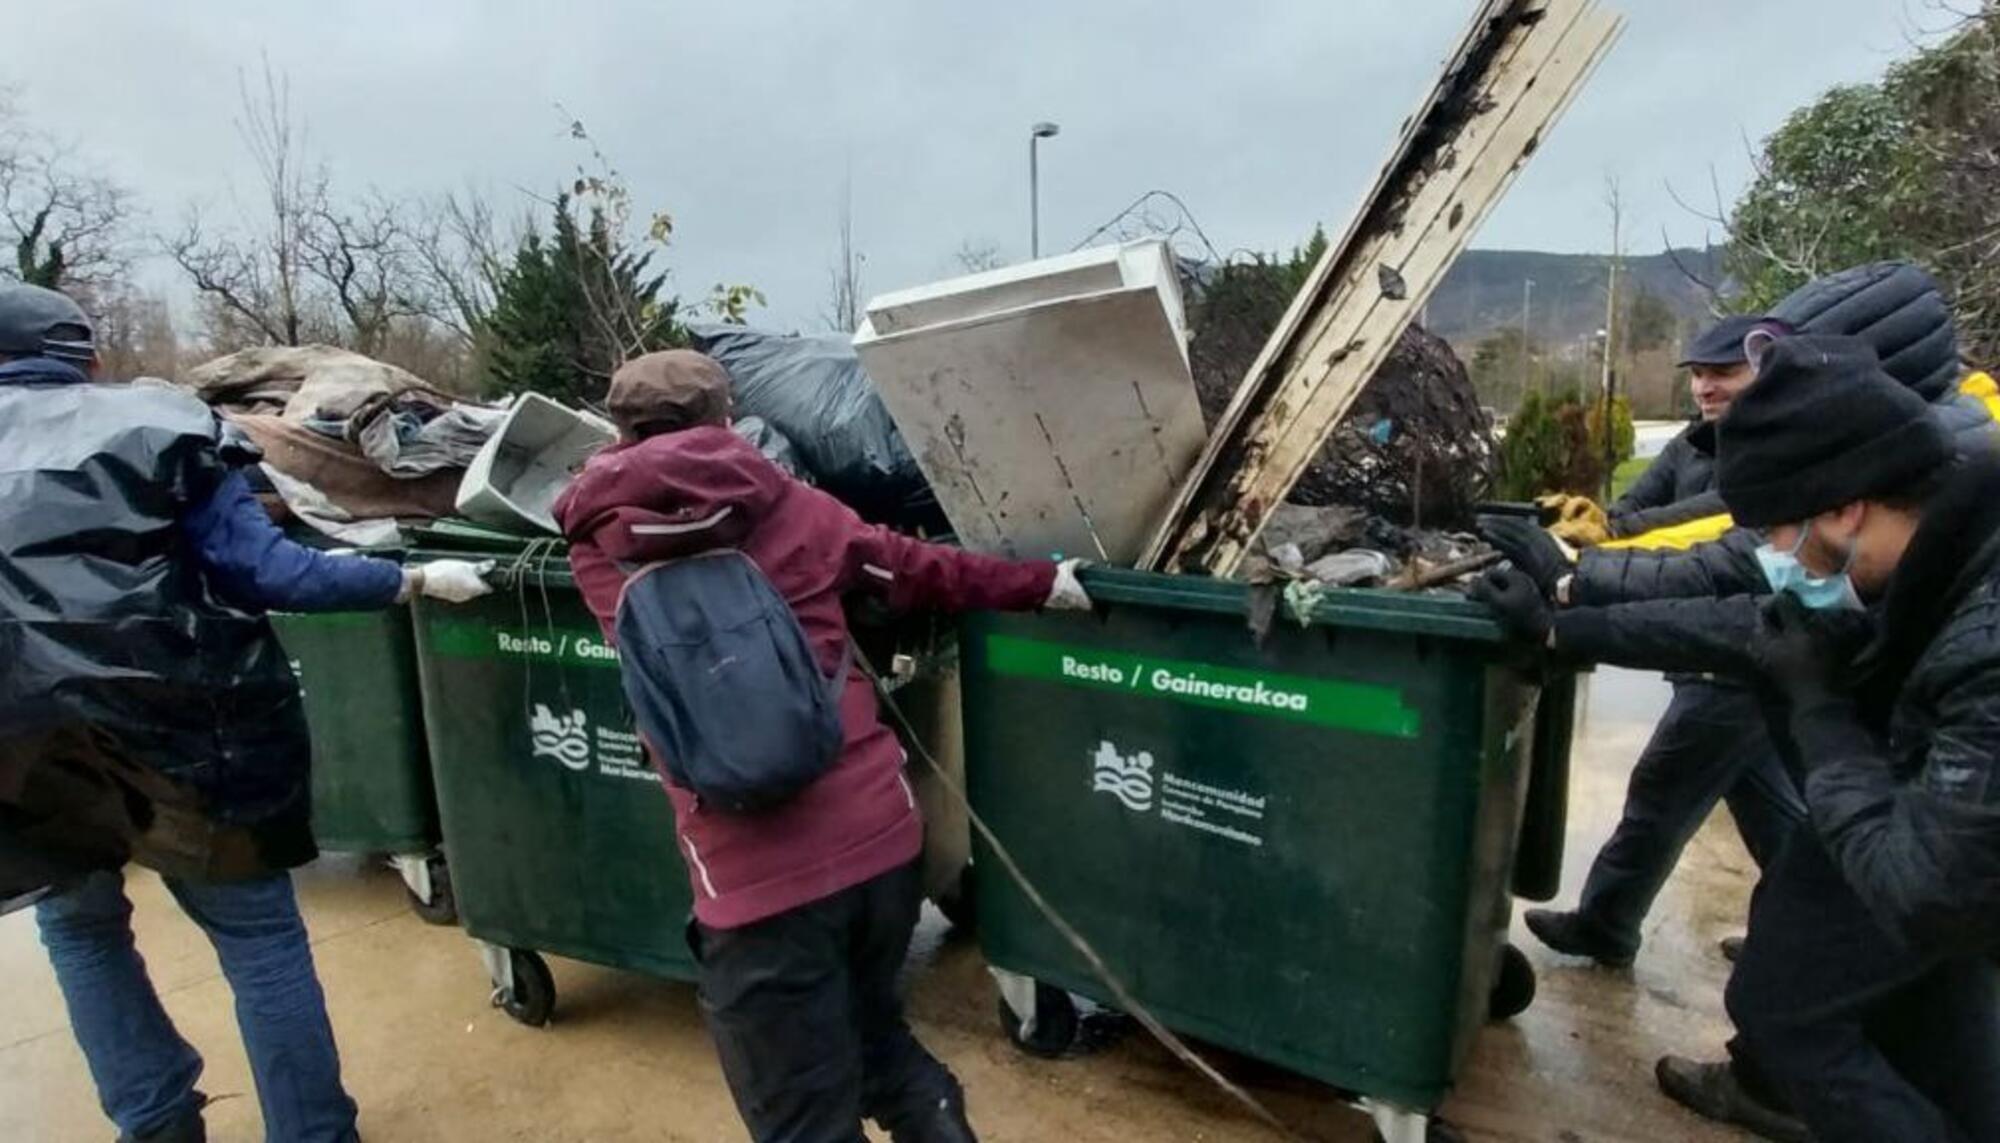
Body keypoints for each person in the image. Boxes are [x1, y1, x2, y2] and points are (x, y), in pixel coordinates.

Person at [0, 281, 495, 1143]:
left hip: (26, 744)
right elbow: (270, 572)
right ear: (84, 353)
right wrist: (409, 578)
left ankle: (154, 1120)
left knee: (78, 927)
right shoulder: (159, 424)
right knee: (257, 935)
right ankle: (311, 1131)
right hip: (184, 731)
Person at [554, 350, 1090, 1143]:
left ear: (619, 428)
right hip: (879, 853)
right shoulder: (796, 507)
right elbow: (920, 570)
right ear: (728, 420)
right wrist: (1042, 584)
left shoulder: (597, 546)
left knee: (802, 1119)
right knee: (875, 1042)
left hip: (753, 889)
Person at [1476, 336, 2000, 1142]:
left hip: (1940, 862)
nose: (1772, 560)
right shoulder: (1919, 558)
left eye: (1774, 535)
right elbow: (1742, 628)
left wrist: (1818, 710)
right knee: (1931, 1021)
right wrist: (1561, 629)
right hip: (1933, 841)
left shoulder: (1982, 635)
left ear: (1841, 507)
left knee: (1787, 1013)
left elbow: (1926, 893)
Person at [1504, 316, 1804, 968]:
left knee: (1661, 790)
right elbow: (1641, 514)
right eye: (1697, 373)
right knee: (1775, 811)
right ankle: (1814, 934)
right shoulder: (1694, 446)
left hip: (1735, 652)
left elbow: (1708, 543)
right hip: (1703, 646)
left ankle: (1606, 924)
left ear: (1769, 371)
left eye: (1723, 372)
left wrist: (1579, 580)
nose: (1704, 387)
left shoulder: (1778, 456)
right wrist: (1589, 526)